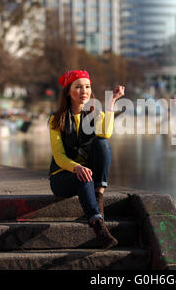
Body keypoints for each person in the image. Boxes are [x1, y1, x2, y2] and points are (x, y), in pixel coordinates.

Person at [48, 70, 125, 249]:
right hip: (62, 177)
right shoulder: (56, 119)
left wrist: (112, 101)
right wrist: (76, 168)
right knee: (82, 176)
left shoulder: (94, 113)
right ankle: (98, 225)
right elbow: (59, 156)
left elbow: (105, 133)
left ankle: (98, 196)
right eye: (79, 87)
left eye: (88, 87)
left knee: (102, 143)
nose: (84, 91)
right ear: (68, 91)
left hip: (88, 174)